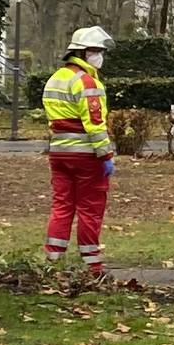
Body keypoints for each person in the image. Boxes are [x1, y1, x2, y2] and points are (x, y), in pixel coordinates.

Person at [42, 26, 115, 278]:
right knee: (90, 208)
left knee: (62, 206)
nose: (101, 56)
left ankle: (52, 260)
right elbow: (95, 124)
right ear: (85, 52)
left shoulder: (56, 78)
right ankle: (92, 266)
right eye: (98, 51)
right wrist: (106, 156)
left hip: (58, 154)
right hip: (87, 156)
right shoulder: (87, 82)